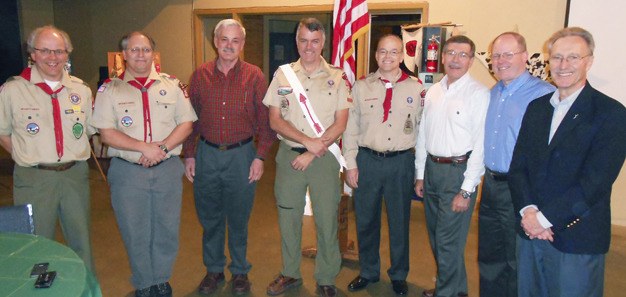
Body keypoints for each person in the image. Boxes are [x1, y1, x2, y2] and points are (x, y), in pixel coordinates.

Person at [509, 27, 626, 297]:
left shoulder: (610, 114)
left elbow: (595, 182)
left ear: (589, 61)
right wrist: (529, 213)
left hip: (576, 238)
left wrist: (544, 219)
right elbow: (519, 167)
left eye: (573, 57)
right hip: (529, 231)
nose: (563, 65)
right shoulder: (537, 108)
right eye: (557, 57)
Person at [91, 31, 197, 297]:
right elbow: (107, 133)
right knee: (134, 229)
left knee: (166, 228)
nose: (141, 55)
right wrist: (143, 148)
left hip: (167, 170)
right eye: (135, 50)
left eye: (146, 49)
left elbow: (186, 124)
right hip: (128, 173)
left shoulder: (173, 85)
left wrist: (160, 149)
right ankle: (144, 282)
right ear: (124, 55)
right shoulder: (109, 89)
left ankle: (161, 279)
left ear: (154, 53)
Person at [181, 19, 274, 295]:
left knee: (238, 217)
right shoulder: (199, 75)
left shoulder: (254, 75)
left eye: (235, 41)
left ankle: (240, 271)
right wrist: (189, 154)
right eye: (224, 39)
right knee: (209, 217)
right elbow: (190, 119)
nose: (229, 45)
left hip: (241, 156)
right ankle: (214, 269)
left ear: (242, 45)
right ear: (215, 40)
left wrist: (260, 157)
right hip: (207, 154)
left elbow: (266, 122)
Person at [262, 17, 351, 297]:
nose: (308, 47)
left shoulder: (338, 77)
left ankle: (326, 277)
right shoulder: (283, 75)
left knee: (326, 219)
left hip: (324, 160)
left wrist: (312, 152)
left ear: (323, 42)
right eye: (303, 40)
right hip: (289, 157)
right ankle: (290, 273)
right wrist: (305, 142)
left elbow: (340, 123)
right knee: (288, 217)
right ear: (296, 41)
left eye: (315, 41)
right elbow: (275, 120)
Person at [0, 25, 95, 270]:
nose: (53, 58)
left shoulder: (81, 90)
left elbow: (88, 130)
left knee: (81, 240)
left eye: (59, 51)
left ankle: (85, 289)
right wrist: (27, 154)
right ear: (32, 53)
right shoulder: (12, 90)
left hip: (75, 175)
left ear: (67, 54)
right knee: (37, 242)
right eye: (45, 51)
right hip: (34, 177)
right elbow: (2, 132)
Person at [343, 34, 423, 296]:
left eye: (394, 52)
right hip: (367, 161)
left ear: (402, 56)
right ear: (376, 55)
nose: (387, 57)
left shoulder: (416, 88)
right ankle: (368, 271)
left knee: (400, 222)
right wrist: (351, 164)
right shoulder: (361, 86)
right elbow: (350, 129)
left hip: (400, 162)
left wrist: (420, 171)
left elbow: (423, 132)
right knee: (366, 220)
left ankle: (399, 274)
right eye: (382, 52)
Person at [478, 32, 555, 297]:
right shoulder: (494, 92)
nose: (500, 61)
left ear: (524, 56)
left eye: (508, 54)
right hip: (490, 185)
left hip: (521, 189)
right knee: (490, 255)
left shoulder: (545, 95)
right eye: (496, 55)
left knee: (517, 258)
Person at [414, 35, 489, 297]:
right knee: (439, 238)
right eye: (451, 53)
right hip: (432, 171)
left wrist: (467, 190)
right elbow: (424, 134)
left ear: (471, 60)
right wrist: (420, 175)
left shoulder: (478, 94)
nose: (456, 59)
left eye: (463, 54)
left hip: (458, 173)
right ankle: (457, 291)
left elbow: (480, 145)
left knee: (447, 242)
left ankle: (445, 293)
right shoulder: (434, 90)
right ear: (442, 57)